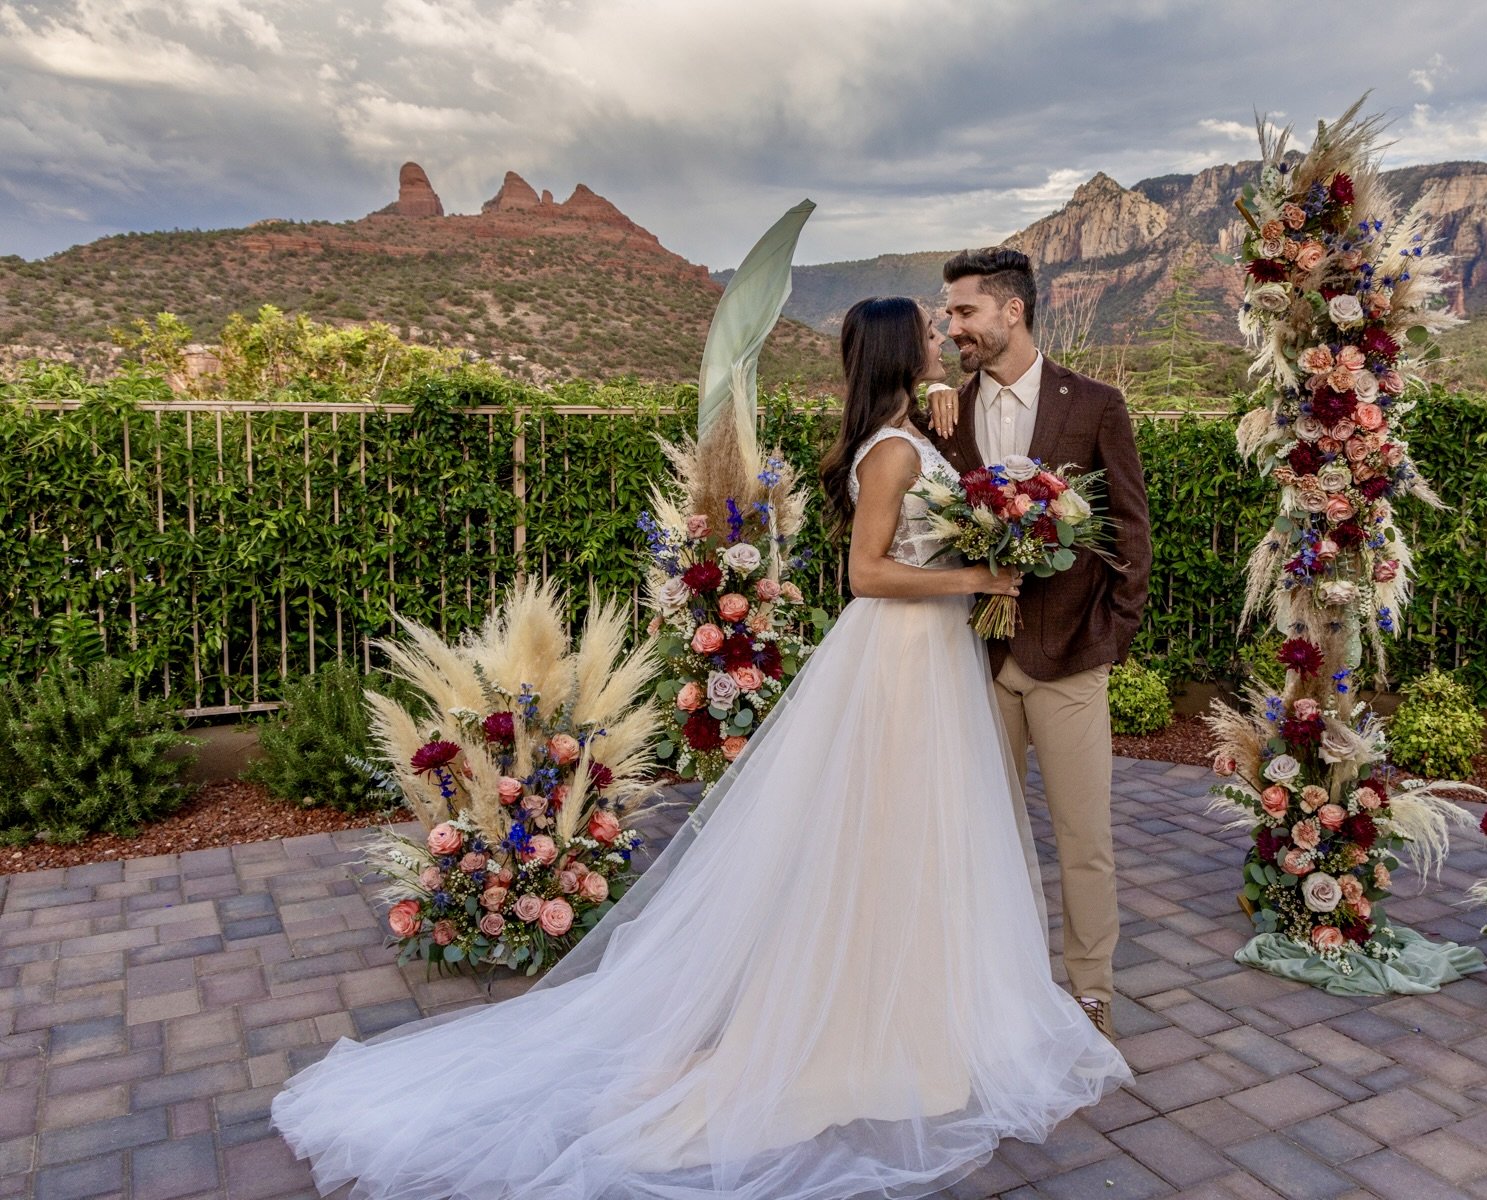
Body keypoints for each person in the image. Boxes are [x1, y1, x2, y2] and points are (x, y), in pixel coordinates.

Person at [269, 296, 1130, 1200]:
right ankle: (877, 1021)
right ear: (894, 350)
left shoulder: (908, 435)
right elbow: (866, 573)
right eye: (925, 331)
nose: (939, 338)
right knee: (890, 834)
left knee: (917, 837)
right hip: (903, 660)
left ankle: (921, 1006)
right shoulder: (891, 452)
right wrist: (982, 573)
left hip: (931, 657)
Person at [926, 248, 1153, 1038]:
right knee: (984, 837)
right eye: (948, 314)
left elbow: (1129, 528)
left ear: (1009, 311)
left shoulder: (1093, 404)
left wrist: (1110, 634)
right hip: (976, 663)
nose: (950, 326)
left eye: (962, 312)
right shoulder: (943, 413)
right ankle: (997, 988)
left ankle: (1091, 993)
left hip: (1069, 661)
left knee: (1083, 841)